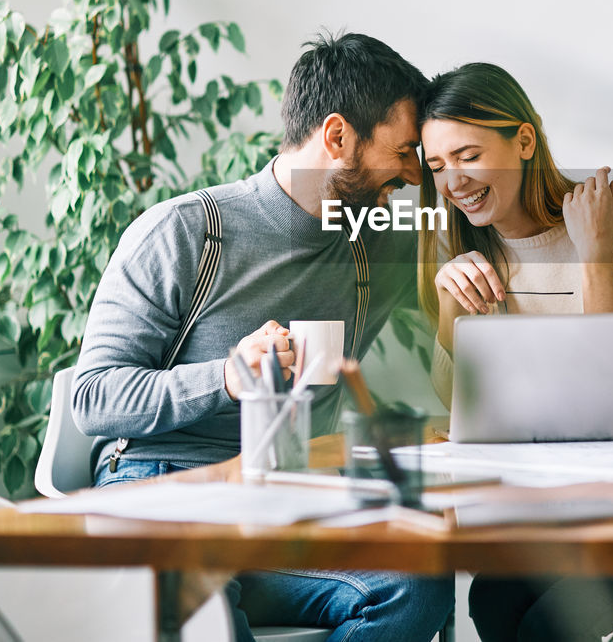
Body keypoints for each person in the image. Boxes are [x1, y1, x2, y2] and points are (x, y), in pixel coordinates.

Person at [73, 32, 453, 642]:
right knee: (208, 614)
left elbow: (486, 247)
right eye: (405, 150)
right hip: (165, 487)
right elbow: (94, 399)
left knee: (417, 581)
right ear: (337, 137)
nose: (413, 173)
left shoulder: (374, 243)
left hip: (286, 498)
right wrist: (226, 375)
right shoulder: (185, 234)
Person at [415, 61, 613, 642]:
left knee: (545, 624)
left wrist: (594, 251)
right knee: (490, 598)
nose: (452, 181)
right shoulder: (456, 235)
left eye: (467, 155)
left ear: (525, 140)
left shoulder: (610, 213)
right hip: (538, 498)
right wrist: (451, 311)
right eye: (436, 165)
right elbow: (458, 404)